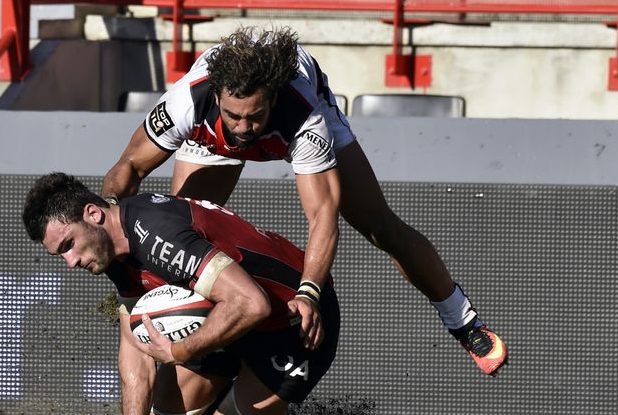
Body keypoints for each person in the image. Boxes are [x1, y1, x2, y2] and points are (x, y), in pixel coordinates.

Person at [101, 26, 507, 375]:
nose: (243, 130)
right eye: (234, 115)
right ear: (218, 100)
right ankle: (207, 354)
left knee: (379, 225)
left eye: (254, 116)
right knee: (178, 250)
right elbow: (129, 168)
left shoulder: (303, 116)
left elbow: (322, 216)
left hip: (294, 118)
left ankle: (463, 321)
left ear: (272, 100)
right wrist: (110, 229)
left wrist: (309, 292)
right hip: (209, 137)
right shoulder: (186, 102)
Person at [23, 172, 340, 414]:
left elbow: (251, 303)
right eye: (60, 254)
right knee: (165, 407)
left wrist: (181, 352)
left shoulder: (159, 238)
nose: (70, 262)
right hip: (223, 315)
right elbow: (134, 344)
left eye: (68, 245)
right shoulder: (112, 249)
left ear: (93, 214)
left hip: (291, 323)